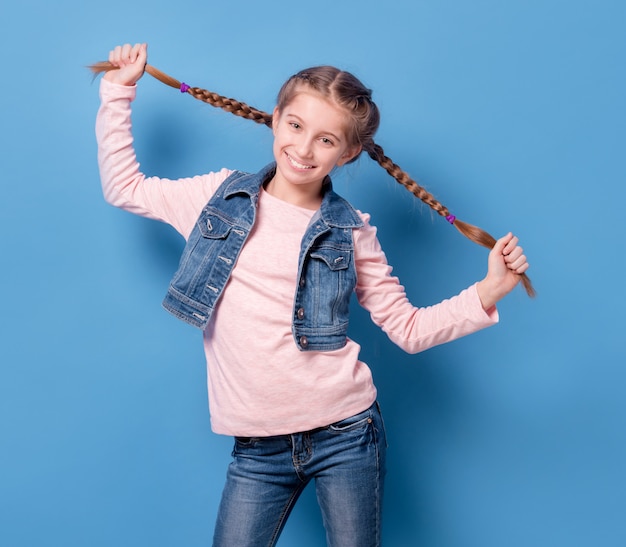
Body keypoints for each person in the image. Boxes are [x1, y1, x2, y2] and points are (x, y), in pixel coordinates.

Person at [94, 43, 530, 547]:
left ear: (347, 152)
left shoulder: (351, 232)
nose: (303, 149)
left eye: (325, 139)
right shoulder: (217, 198)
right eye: (296, 126)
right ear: (276, 120)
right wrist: (119, 89)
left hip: (346, 436)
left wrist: (488, 290)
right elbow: (124, 187)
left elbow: (407, 330)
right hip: (256, 449)